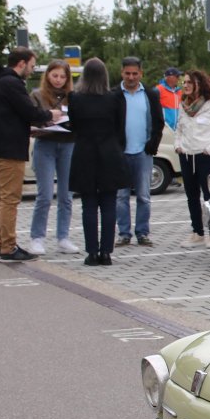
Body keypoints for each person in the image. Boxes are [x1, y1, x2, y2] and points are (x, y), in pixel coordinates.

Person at [0, 47, 61, 261]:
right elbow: (28, 111)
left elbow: (9, 114)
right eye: (32, 65)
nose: (32, 70)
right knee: (10, 199)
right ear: (22, 63)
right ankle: (9, 247)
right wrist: (50, 115)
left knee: (0, 197)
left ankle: (0, 243)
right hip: (10, 150)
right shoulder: (12, 83)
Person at [67, 58, 127, 265]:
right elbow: (120, 127)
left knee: (89, 205)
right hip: (110, 153)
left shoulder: (75, 98)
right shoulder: (115, 97)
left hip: (85, 154)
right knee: (109, 204)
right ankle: (106, 252)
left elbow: (74, 126)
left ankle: (92, 252)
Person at [175, 69, 210, 248]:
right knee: (191, 196)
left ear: (199, 85)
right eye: (184, 82)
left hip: (207, 157)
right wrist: (178, 145)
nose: (185, 85)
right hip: (187, 156)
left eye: (189, 82)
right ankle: (197, 233)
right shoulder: (183, 105)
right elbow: (179, 129)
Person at [26, 59, 77, 255]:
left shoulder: (72, 96)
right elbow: (30, 118)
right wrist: (46, 119)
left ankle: (63, 237)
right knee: (45, 194)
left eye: (63, 77)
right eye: (55, 75)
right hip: (45, 144)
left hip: (68, 144)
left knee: (66, 194)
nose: (58, 80)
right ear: (47, 75)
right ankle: (37, 237)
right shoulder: (37, 95)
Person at [115, 57, 164, 247]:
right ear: (122, 73)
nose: (131, 77)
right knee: (121, 196)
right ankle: (124, 233)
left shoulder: (150, 95)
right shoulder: (114, 95)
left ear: (140, 74)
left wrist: (153, 144)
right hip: (121, 153)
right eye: (127, 73)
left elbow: (158, 122)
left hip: (143, 153)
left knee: (144, 196)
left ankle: (142, 232)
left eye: (134, 73)